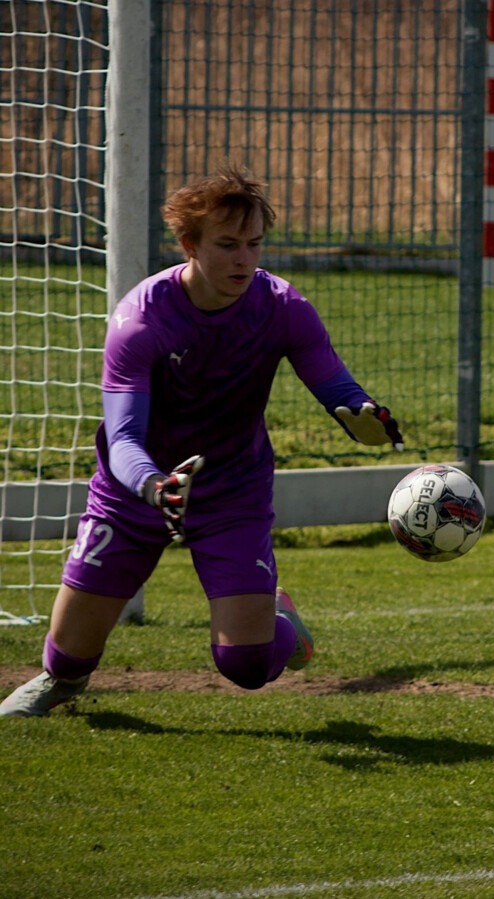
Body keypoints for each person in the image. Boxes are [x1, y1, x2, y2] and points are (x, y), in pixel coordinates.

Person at [0, 166, 404, 717]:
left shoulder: (283, 307)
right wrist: (153, 485)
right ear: (189, 245)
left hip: (232, 491)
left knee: (248, 666)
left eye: (255, 244)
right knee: (69, 656)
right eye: (228, 245)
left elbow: (333, 381)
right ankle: (58, 682)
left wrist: (360, 412)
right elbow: (122, 438)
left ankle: (279, 622)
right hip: (133, 492)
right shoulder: (141, 321)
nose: (245, 259)